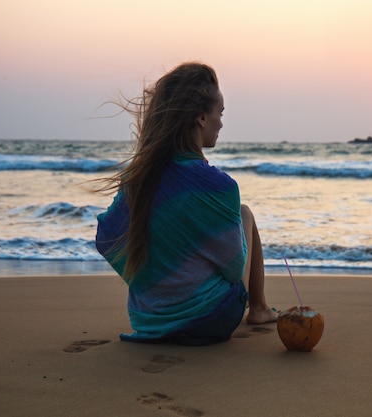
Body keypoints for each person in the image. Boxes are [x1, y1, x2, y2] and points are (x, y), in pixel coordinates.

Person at [95, 62, 277, 345]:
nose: (221, 122)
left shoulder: (139, 178)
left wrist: (157, 280)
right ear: (202, 118)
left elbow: (107, 240)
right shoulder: (220, 187)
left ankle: (171, 303)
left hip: (148, 321)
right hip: (211, 320)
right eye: (220, 113)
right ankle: (260, 309)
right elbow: (233, 270)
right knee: (245, 214)